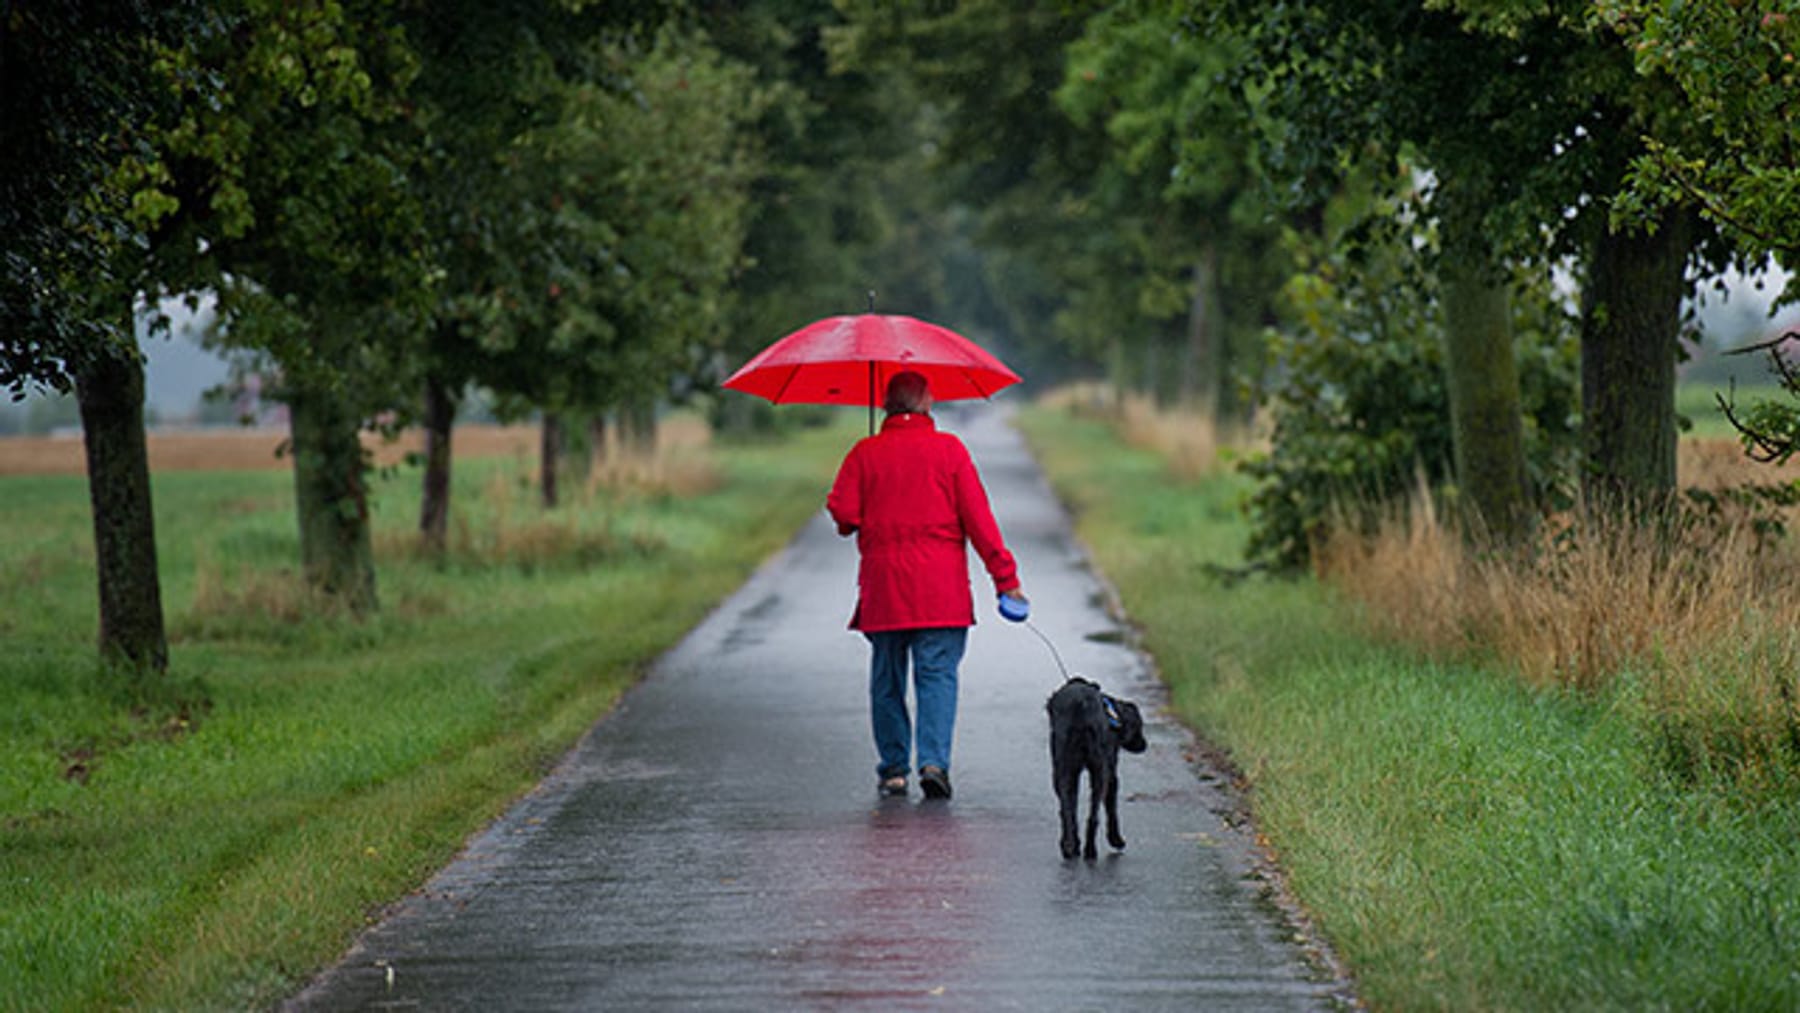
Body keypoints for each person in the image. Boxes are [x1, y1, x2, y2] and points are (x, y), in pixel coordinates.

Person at [826, 370, 1027, 800]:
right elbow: (980, 522)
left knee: (887, 679)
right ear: (927, 403)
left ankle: (894, 769)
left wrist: (866, 490)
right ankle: (934, 763)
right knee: (937, 676)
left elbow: (843, 514)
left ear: (886, 406)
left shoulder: (865, 453)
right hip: (941, 592)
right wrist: (1005, 581)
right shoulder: (950, 451)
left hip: (884, 591)